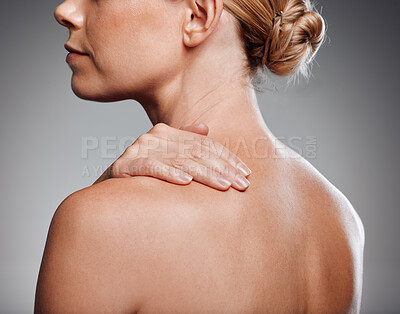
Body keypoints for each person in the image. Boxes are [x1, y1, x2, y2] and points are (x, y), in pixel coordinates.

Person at [35, 0, 365, 313]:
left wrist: (98, 200)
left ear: (197, 16)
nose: (66, 11)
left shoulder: (100, 223)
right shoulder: (340, 219)